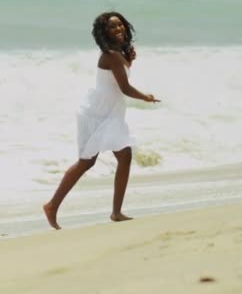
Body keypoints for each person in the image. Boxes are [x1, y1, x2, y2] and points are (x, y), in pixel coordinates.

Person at [43, 12, 160, 230]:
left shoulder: (118, 54)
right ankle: (52, 205)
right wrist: (146, 97)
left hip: (110, 112)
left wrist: (130, 61)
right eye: (113, 27)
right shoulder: (111, 55)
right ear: (104, 32)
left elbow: (116, 82)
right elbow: (124, 88)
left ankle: (116, 212)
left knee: (124, 155)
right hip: (96, 113)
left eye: (120, 25)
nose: (119, 29)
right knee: (87, 161)